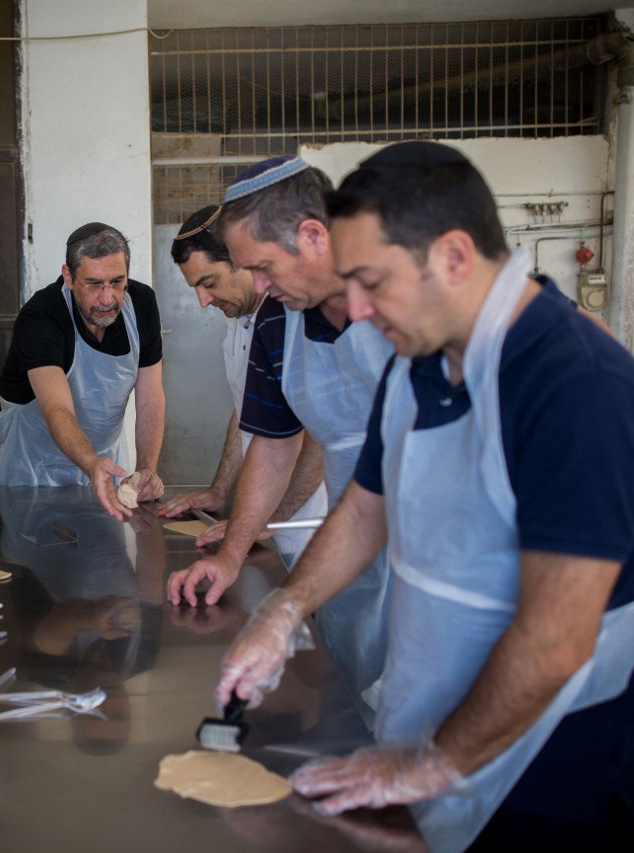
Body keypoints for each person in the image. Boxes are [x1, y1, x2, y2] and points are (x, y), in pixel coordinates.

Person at [217, 142, 634, 852]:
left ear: (455, 256)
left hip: (547, 765)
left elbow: (556, 638)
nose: (356, 308)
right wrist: (283, 609)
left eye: (373, 281)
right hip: (432, 731)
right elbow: (368, 506)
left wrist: (433, 762)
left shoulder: (579, 390)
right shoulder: (420, 364)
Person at [166, 157, 394, 725]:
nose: (260, 287)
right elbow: (271, 441)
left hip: (456, 549)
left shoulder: (413, 299)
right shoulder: (276, 322)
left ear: (314, 235)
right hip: (351, 536)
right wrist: (230, 555)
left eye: (263, 268)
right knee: (355, 701)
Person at [156, 205, 328, 546]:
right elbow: (247, 411)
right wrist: (220, 492)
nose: (203, 301)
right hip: (265, 516)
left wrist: (269, 522)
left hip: (310, 519)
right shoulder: (239, 319)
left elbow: (319, 438)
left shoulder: (296, 317)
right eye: (195, 288)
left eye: (209, 283)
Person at [0, 223, 166, 519]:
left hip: (102, 468)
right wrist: (91, 463)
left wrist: (146, 470)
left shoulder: (142, 304)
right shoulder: (42, 317)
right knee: (34, 561)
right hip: (33, 472)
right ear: (69, 276)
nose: (108, 298)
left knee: (106, 559)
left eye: (117, 282)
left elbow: (151, 398)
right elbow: (58, 409)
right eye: (94, 284)